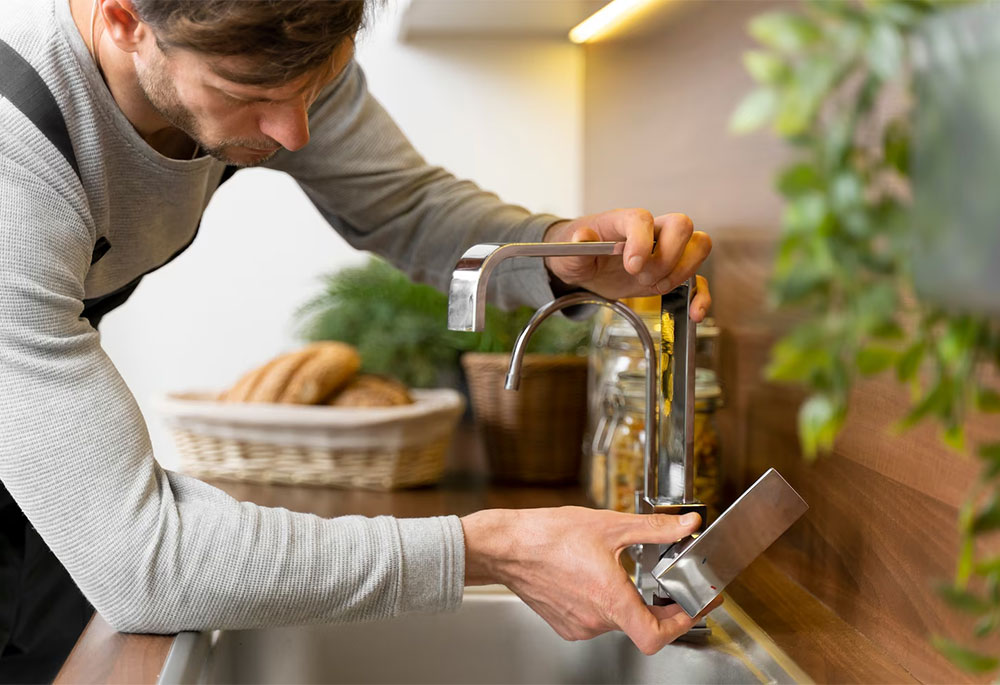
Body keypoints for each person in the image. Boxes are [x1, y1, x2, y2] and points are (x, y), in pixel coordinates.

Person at [0, 0, 715, 681]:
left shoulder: (276, 55)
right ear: (125, 18)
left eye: (316, 84)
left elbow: (402, 204)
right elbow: (144, 564)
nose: (294, 132)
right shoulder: (14, 170)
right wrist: (486, 549)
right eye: (249, 92)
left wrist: (559, 254)